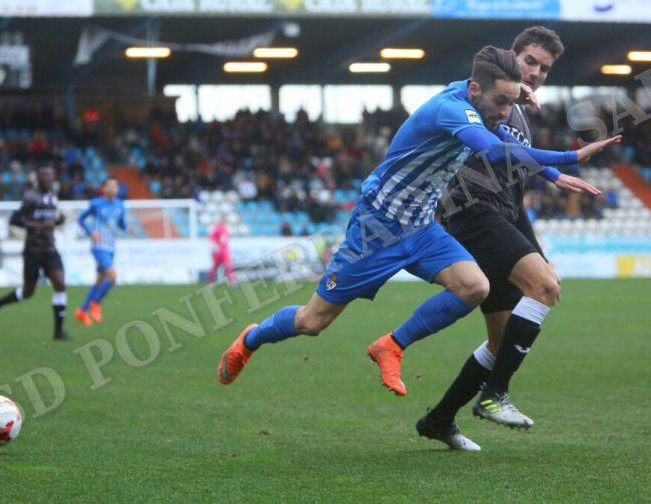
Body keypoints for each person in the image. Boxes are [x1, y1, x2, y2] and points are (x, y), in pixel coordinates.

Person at [216, 46, 619, 430]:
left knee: (475, 287)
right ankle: (249, 339)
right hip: (376, 231)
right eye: (501, 102)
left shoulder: (478, 104)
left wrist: (551, 174)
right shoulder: (451, 109)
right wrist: (570, 157)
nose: (506, 111)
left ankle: (391, 345)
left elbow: (505, 140)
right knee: (312, 321)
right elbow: (496, 153)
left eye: (511, 103)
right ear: (476, 90)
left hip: (422, 227)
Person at [417, 27, 606, 450]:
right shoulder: (485, 101)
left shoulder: (516, 111)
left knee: (503, 340)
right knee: (543, 286)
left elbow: (514, 166)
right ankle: (494, 396)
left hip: (505, 212)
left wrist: (552, 177)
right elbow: (487, 136)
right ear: (510, 56)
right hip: (472, 211)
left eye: (544, 68)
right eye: (530, 62)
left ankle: (439, 419)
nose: (535, 72)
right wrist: (564, 160)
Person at [0, 166, 70, 341]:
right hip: (33, 250)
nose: (47, 178)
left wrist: (59, 220)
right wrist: (40, 226)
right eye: (44, 176)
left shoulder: (53, 196)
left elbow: (51, 220)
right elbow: (15, 219)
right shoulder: (30, 196)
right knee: (28, 293)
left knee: (60, 284)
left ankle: (58, 332)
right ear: (38, 179)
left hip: (50, 249)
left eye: (49, 176)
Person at [74, 177, 132, 326]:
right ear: (104, 188)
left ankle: (81, 311)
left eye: (115, 186)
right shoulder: (96, 204)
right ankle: (95, 303)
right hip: (99, 247)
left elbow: (120, 222)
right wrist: (90, 232)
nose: (112, 189)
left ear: (118, 189)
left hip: (111, 247)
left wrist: (126, 228)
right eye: (109, 186)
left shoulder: (120, 205)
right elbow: (80, 219)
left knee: (99, 281)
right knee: (112, 277)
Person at [208, 217, 237, 286]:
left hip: (223, 251)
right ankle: (211, 282)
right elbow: (212, 240)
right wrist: (216, 248)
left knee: (226, 266)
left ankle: (232, 281)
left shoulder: (223, 229)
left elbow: (213, 240)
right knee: (217, 266)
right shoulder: (218, 229)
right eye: (223, 221)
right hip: (219, 251)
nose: (224, 222)